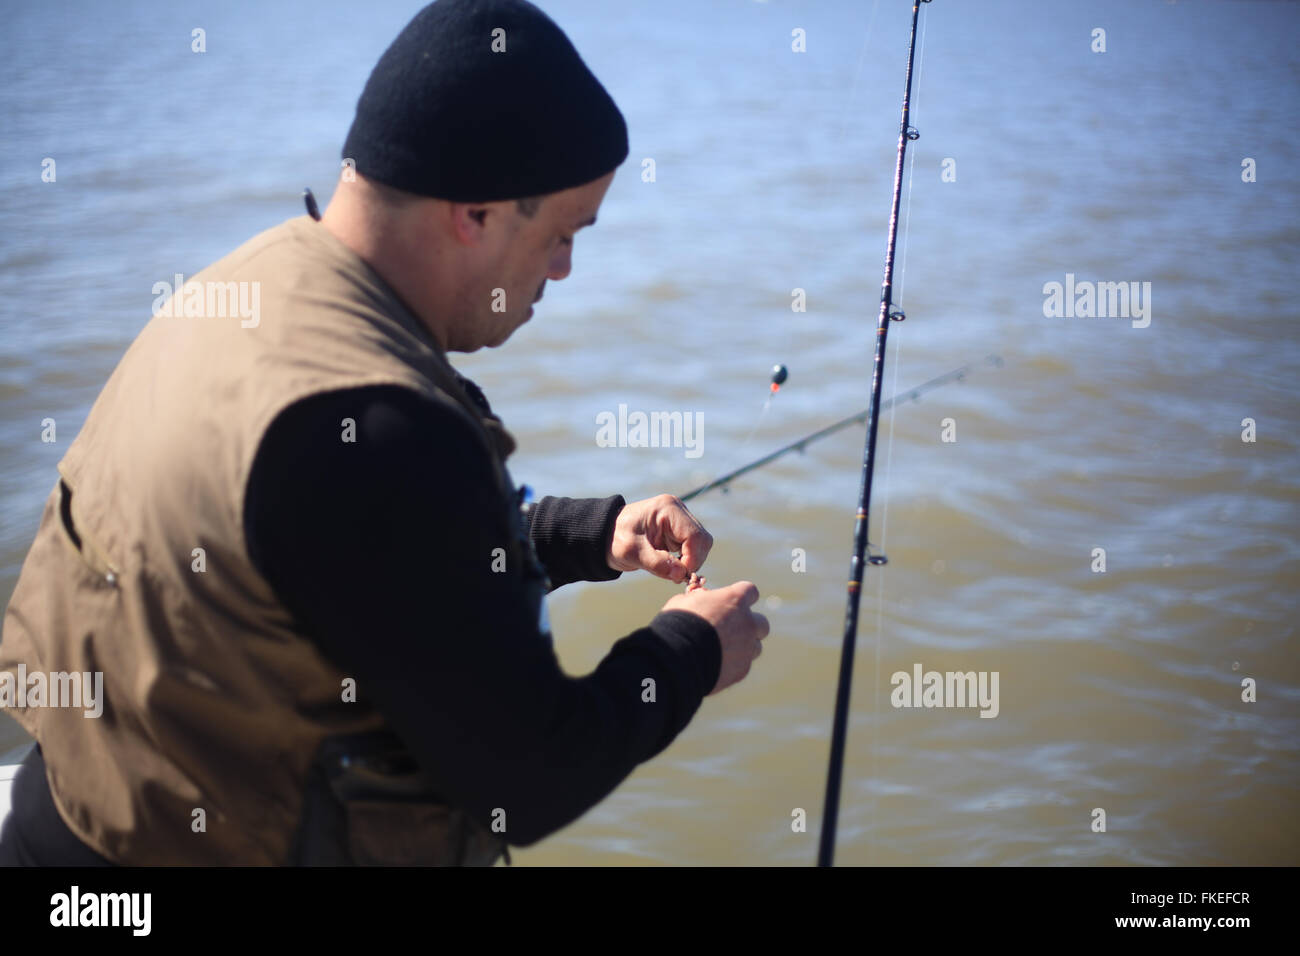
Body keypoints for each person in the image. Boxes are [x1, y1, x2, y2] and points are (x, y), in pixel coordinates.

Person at [0, 0, 769, 866]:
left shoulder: (252, 284)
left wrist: (591, 536)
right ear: (474, 212)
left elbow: (359, 565)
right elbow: (527, 777)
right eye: (562, 234)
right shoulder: (378, 428)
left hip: (66, 822)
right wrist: (691, 648)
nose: (564, 270)